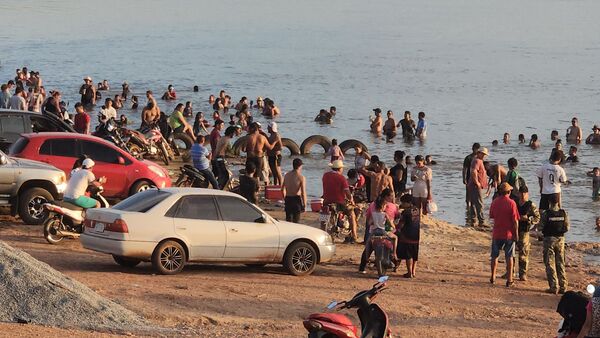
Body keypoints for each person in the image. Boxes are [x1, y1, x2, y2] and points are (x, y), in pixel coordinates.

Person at [358, 188, 398, 273]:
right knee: (392, 243)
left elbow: (368, 219)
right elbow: (393, 220)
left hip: (373, 231)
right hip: (384, 231)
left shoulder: (372, 205)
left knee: (368, 248)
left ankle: (362, 267)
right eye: (391, 196)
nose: (392, 198)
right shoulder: (391, 207)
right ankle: (394, 257)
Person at [489, 182, 519, 287]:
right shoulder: (512, 203)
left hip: (497, 233)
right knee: (509, 256)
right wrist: (516, 235)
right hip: (508, 234)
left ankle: (493, 276)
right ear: (509, 192)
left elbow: (492, 216)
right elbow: (515, 221)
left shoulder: (494, 202)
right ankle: (510, 279)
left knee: (494, 256)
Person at [322, 160, 358, 243]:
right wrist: (352, 200)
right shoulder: (341, 178)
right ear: (340, 169)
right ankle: (354, 236)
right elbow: (348, 193)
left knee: (323, 217)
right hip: (339, 202)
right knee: (351, 214)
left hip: (326, 201)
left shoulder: (325, 175)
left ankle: (322, 232)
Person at [539, 197, 569, 294]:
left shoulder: (546, 214)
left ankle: (553, 286)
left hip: (549, 240)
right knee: (560, 263)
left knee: (550, 263)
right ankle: (563, 286)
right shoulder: (563, 213)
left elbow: (540, 227)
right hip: (560, 240)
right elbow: (567, 227)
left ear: (549, 202)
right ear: (558, 202)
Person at [516, 185, 540, 281]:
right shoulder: (515, 203)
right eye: (521, 193)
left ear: (527, 194)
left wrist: (528, 219)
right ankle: (510, 271)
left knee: (523, 253)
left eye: (524, 193)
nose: (522, 195)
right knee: (511, 252)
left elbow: (537, 218)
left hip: (524, 231)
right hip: (514, 229)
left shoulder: (530, 205)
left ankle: (523, 274)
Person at [396, 193, 421, 278]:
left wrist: (397, 229)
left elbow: (401, 224)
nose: (402, 204)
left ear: (408, 202)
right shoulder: (417, 210)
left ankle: (409, 272)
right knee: (415, 254)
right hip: (416, 235)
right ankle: (413, 272)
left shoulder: (405, 212)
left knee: (408, 255)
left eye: (403, 202)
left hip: (407, 236)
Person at [468, 147, 489, 226]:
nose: (484, 156)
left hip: (474, 186)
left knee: (474, 203)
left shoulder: (478, 160)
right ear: (479, 153)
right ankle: (481, 221)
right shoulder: (477, 161)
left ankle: (474, 220)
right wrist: (477, 182)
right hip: (475, 186)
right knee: (479, 203)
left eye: (485, 155)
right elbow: (473, 171)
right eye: (483, 154)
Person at [281, 158, 307, 223]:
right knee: (296, 221)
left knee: (288, 220)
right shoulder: (301, 177)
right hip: (296, 200)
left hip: (288, 198)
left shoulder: (287, 175)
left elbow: (282, 189)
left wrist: (285, 198)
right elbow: (303, 193)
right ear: (300, 166)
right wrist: (305, 204)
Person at [463, 143, 481, 208]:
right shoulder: (468, 158)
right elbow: (465, 169)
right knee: (468, 193)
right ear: (472, 149)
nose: (476, 150)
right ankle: (468, 207)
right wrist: (464, 178)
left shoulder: (479, 158)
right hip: (469, 177)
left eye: (477, 149)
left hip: (477, 178)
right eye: (475, 149)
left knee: (476, 194)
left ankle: (474, 206)